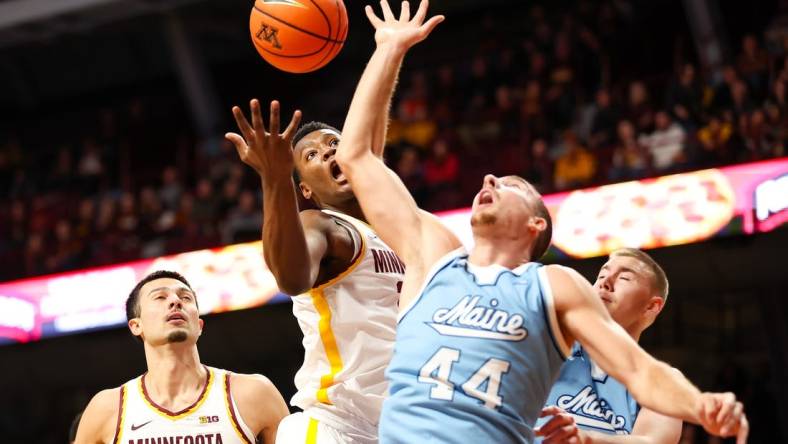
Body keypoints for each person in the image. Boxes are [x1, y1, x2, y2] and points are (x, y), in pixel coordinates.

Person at [333, 1, 748, 443]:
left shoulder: (553, 286)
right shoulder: (433, 257)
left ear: (534, 225)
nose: (489, 177)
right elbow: (356, 157)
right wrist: (389, 50)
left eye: (511, 184)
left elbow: (638, 369)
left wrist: (701, 405)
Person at [223, 2, 441, 442]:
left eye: (333, 145)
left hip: (407, 425)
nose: (328, 153)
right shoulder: (322, 226)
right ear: (305, 189)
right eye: (311, 157)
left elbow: (369, 147)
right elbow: (291, 276)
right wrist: (275, 179)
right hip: (338, 425)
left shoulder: (400, 226)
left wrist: (390, 51)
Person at [74, 270, 288, 444]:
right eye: (160, 297)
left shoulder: (255, 393)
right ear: (136, 325)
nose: (176, 301)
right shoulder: (107, 408)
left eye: (185, 297)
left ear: (200, 325)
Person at [536, 249, 684, 443]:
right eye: (602, 275)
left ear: (651, 306)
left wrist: (588, 439)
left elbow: (653, 440)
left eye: (624, 278)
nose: (605, 282)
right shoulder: (550, 340)